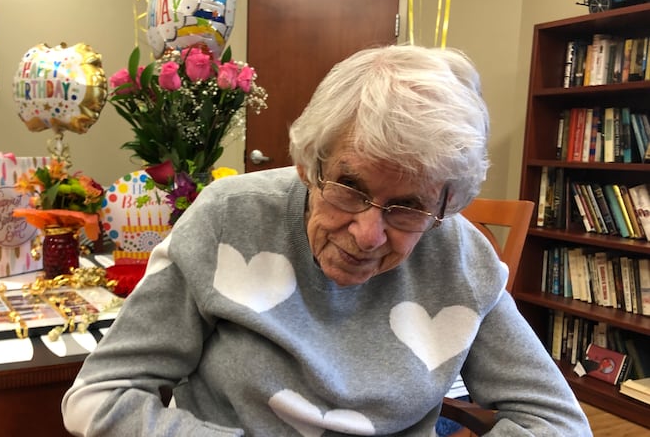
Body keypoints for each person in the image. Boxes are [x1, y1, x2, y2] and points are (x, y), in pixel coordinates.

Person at [62, 44, 592, 436]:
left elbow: (558, 422)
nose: (367, 233)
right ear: (308, 164)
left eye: (408, 207)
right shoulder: (229, 218)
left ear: (445, 205)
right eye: (348, 187)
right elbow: (98, 396)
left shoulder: (461, 257)